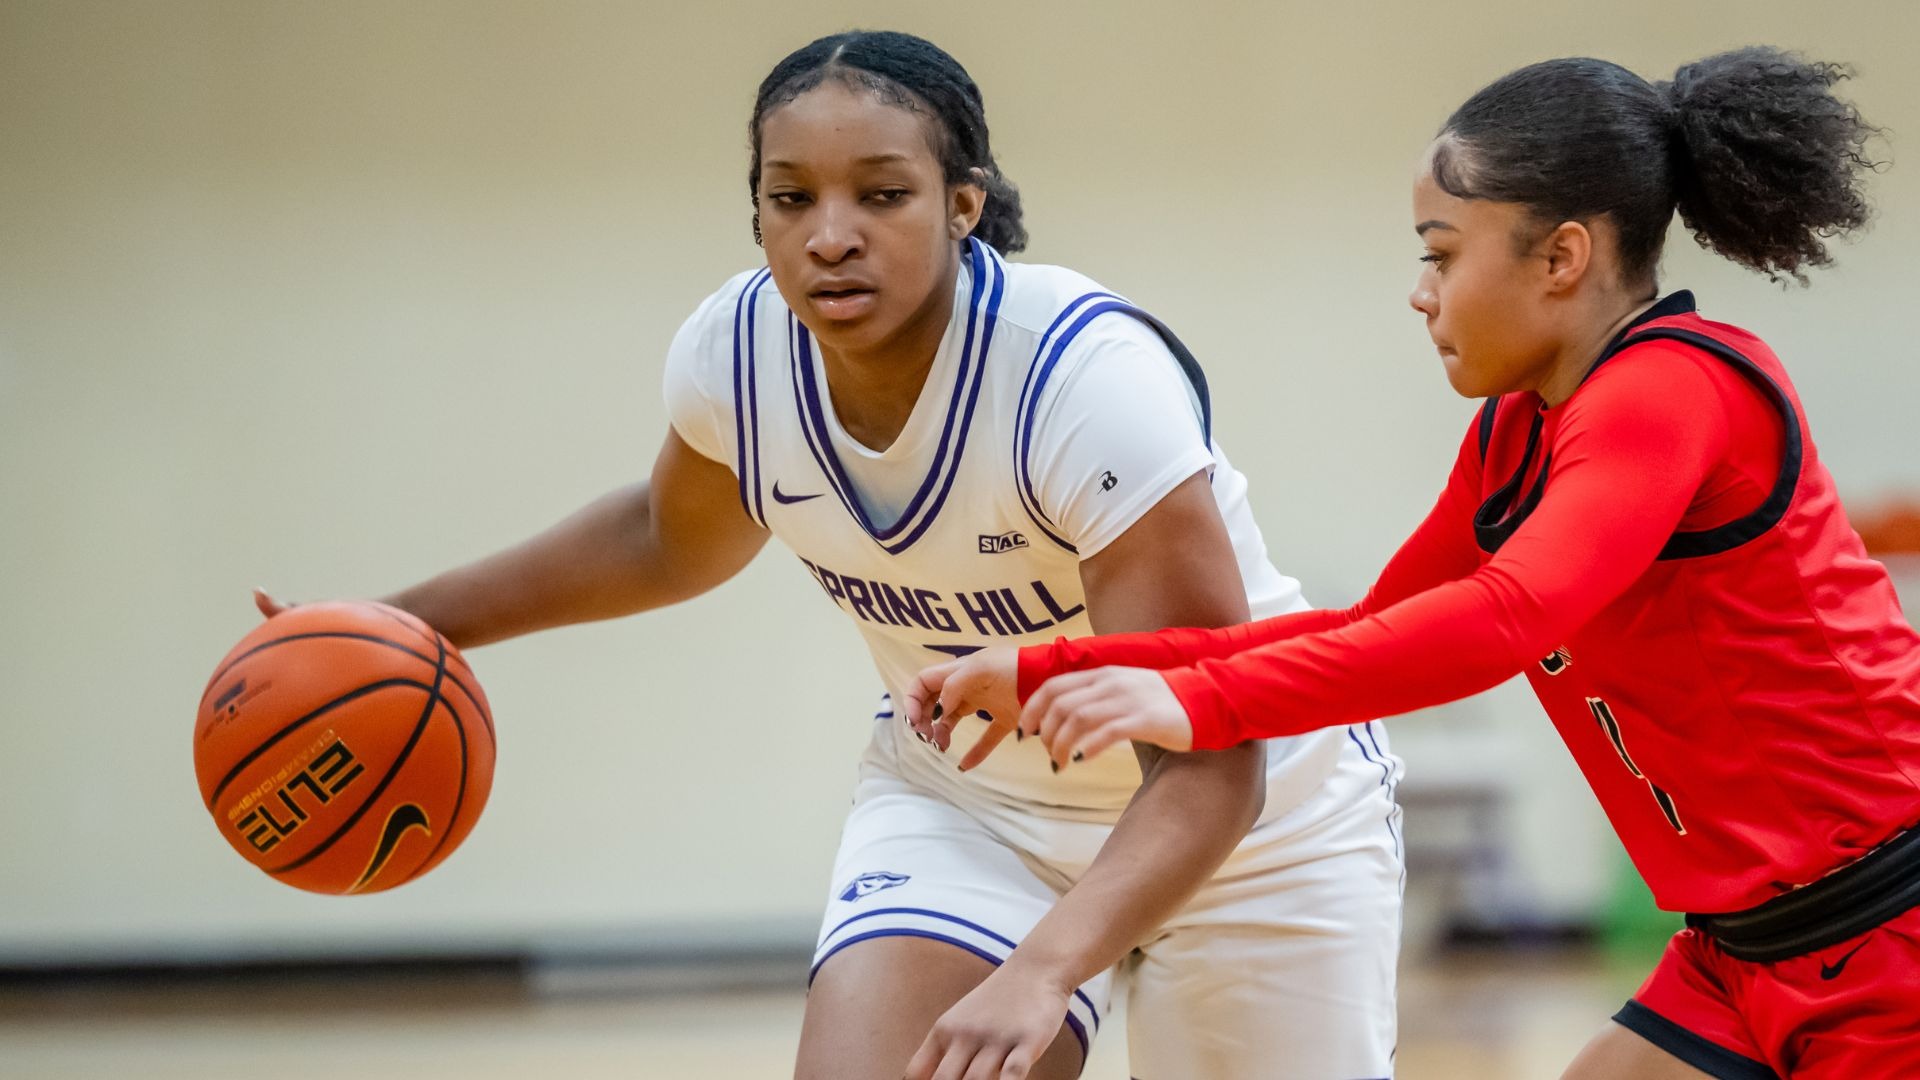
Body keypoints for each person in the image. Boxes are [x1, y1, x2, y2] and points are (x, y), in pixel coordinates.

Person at [262, 30, 1402, 1080]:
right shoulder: (738, 353)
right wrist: (395, 630)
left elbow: (1210, 758)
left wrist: (1048, 966)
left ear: (963, 204)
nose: (829, 233)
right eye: (789, 197)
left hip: (1258, 816)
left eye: (882, 194)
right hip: (978, 803)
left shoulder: (1080, 381)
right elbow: (661, 539)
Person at [909, 46, 1918, 1080]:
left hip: (1889, 930)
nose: (1421, 293)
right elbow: (1367, 629)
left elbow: (1500, 620)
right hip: (1742, 952)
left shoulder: (1671, 391)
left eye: (1440, 254)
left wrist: (1196, 706)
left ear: (1561, 257)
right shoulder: (1515, 435)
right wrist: (1052, 671)